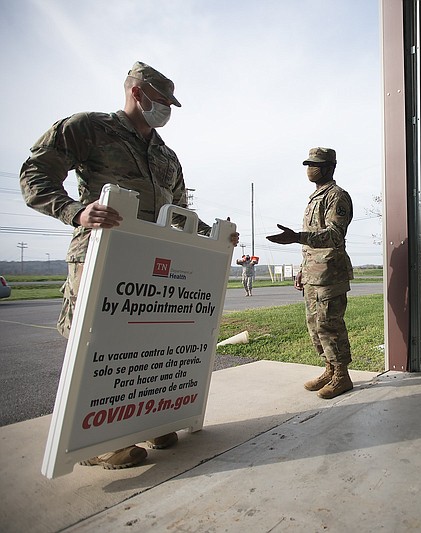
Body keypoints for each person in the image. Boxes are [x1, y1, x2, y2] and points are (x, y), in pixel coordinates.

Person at [20, 61, 239, 468]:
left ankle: (146, 419)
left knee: (149, 341)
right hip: (100, 251)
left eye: (170, 103)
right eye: (160, 101)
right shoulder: (88, 128)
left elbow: (179, 211)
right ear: (136, 93)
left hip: (149, 262)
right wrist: (75, 211)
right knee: (94, 342)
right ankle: (96, 441)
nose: (166, 110)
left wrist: (216, 235)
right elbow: (34, 175)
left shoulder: (165, 154)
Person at [267, 147, 355, 399]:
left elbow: (335, 235)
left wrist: (296, 237)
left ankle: (341, 375)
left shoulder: (337, 196)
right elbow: (310, 244)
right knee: (314, 326)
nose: (309, 169)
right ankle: (329, 368)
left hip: (330, 274)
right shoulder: (315, 196)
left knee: (330, 324)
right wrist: (302, 271)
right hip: (313, 274)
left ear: (330, 167)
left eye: (315, 164)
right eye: (307, 164)